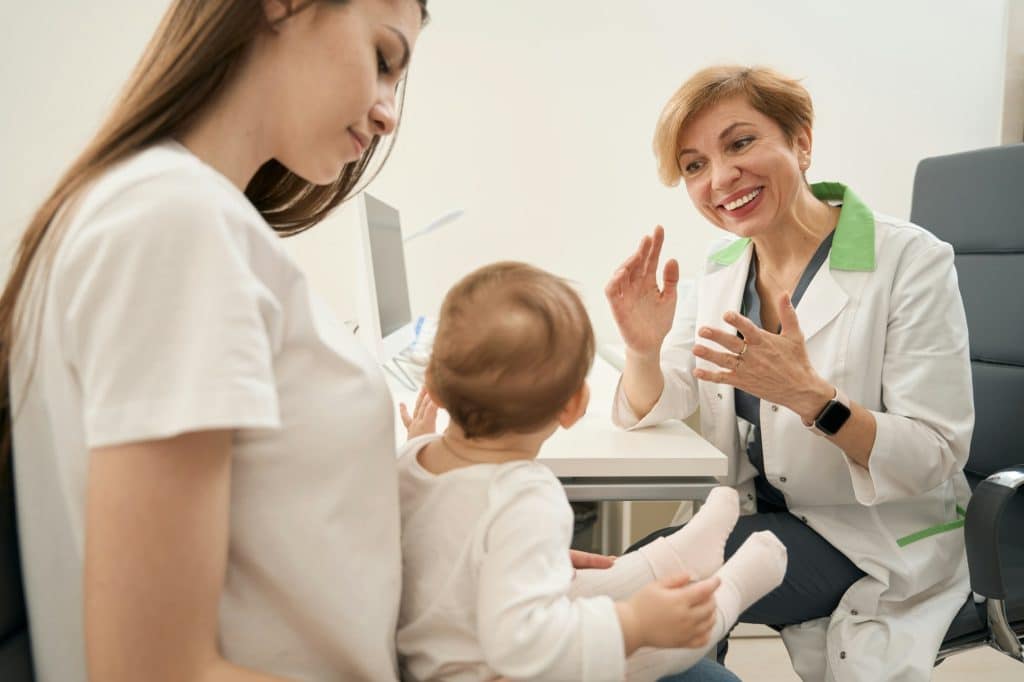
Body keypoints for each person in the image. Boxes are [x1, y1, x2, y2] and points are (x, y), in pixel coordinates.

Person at [1, 1, 431, 680]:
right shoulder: (174, 222)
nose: (388, 114)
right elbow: (156, 671)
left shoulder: (171, 210)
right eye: (382, 59)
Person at [605, 65, 975, 681]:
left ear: (801, 141)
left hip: (868, 532)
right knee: (643, 606)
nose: (721, 179)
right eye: (695, 165)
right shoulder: (724, 264)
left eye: (740, 143)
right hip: (762, 513)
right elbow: (665, 395)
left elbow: (934, 453)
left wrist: (814, 400)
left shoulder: (910, 260)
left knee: (649, 597)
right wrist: (643, 349)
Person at [396, 261, 787, 681]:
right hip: (501, 667)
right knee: (644, 649)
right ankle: (725, 596)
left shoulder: (410, 463)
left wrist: (420, 437)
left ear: (432, 387)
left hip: (443, 650)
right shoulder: (524, 497)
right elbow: (526, 645)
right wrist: (634, 624)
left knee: (568, 585)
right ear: (575, 407)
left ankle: (674, 557)